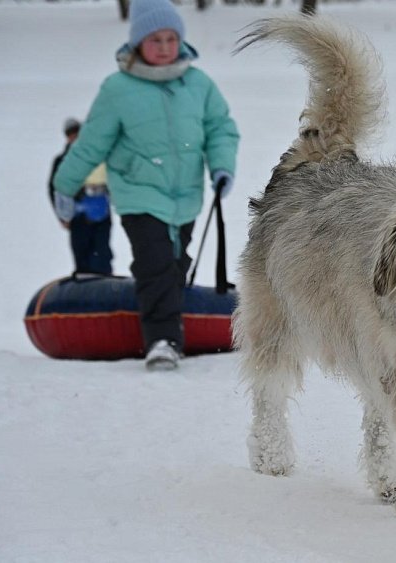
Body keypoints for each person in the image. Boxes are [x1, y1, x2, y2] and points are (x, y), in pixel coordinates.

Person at [53, 0, 239, 371]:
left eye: (172, 38)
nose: (165, 46)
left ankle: (168, 320)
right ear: (137, 43)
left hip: (186, 196)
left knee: (174, 266)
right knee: (154, 263)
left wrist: (221, 167)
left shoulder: (198, 84)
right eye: (155, 39)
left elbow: (221, 128)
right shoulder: (118, 88)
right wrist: (65, 185)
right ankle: (163, 341)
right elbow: (92, 143)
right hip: (139, 193)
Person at [50, 118, 115, 276]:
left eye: (77, 134)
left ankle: (104, 283)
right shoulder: (62, 160)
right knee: (82, 253)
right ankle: (85, 283)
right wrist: (62, 215)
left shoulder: (98, 155)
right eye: (71, 135)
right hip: (77, 215)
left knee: (102, 253)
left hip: (101, 212)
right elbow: (54, 188)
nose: (75, 138)